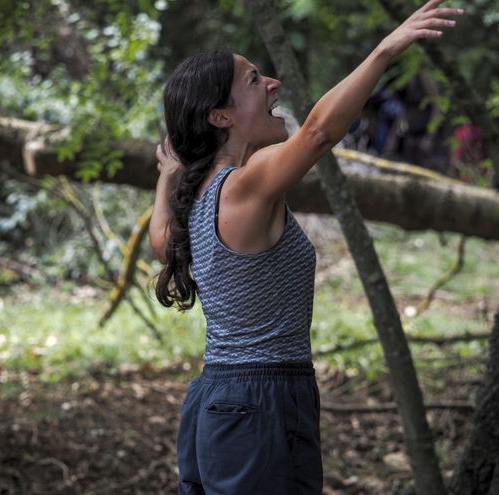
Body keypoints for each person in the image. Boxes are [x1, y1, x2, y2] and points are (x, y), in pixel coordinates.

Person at [149, 2, 461, 493]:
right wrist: (384, 51)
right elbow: (318, 132)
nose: (273, 83)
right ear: (221, 116)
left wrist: (167, 177)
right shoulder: (243, 186)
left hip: (214, 400)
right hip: (262, 403)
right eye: (254, 80)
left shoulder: (198, 199)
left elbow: (161, 242)